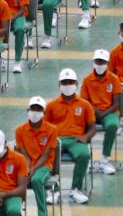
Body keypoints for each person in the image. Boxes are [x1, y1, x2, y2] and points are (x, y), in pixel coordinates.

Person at [45, 69, 93, 204]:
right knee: (48, 155)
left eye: (70, 82)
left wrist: (86, 137)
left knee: (84, 155)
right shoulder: (51, 106)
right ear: (59, 85)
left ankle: (75, 189)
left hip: (76, 140)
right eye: (64, 82)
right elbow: (45, 128)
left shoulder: (85, 105)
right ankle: (53, 189)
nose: (67, 85)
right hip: (57, 139)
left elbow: (92, 126)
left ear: (76, 84)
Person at [15, 96, 59, 216]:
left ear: (44, 113)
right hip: (26, 166)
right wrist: (27, 169)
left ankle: (42, 213)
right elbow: (23, 153)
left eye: (38, 109)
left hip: (44, 166)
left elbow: (45, 155)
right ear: (27, 110)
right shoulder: (20, 130)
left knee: (37, 180)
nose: (35, 112)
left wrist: (33, 170)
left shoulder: (52, 130)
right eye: (32, 108)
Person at [0, 0, 29, 74]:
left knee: (20, 29)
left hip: (17, 16)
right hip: (3, 18)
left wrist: (11, 18)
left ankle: (17, 62)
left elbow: (22, 9)